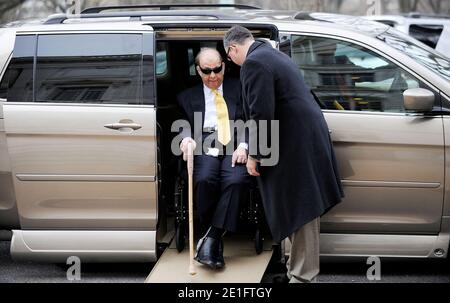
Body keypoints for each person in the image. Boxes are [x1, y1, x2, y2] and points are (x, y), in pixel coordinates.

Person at [223, 26, 344, 282]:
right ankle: (294, 270)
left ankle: (301, 276)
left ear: (233, 48)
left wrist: (254, 154)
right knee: (294, 206)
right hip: (300, 140)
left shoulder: (254, 63)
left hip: (294, 145)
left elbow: (261, 113)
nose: (231, 62)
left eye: (229, 57)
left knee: (300, 208)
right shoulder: (272, 55)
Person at [177, 47, 251, 270]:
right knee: (204, 179)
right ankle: (213, 235)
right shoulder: (186, 96)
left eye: (217, 69)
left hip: (235, 142)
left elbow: (253, 118)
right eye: (206, 71)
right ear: (198, 70)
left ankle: (212, 236)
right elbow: (182, 123)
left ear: (224, 66)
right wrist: (186, 139)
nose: (213, 76)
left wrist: (245, 146)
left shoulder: (241, 88)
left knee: (237, 180)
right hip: (204, 141)